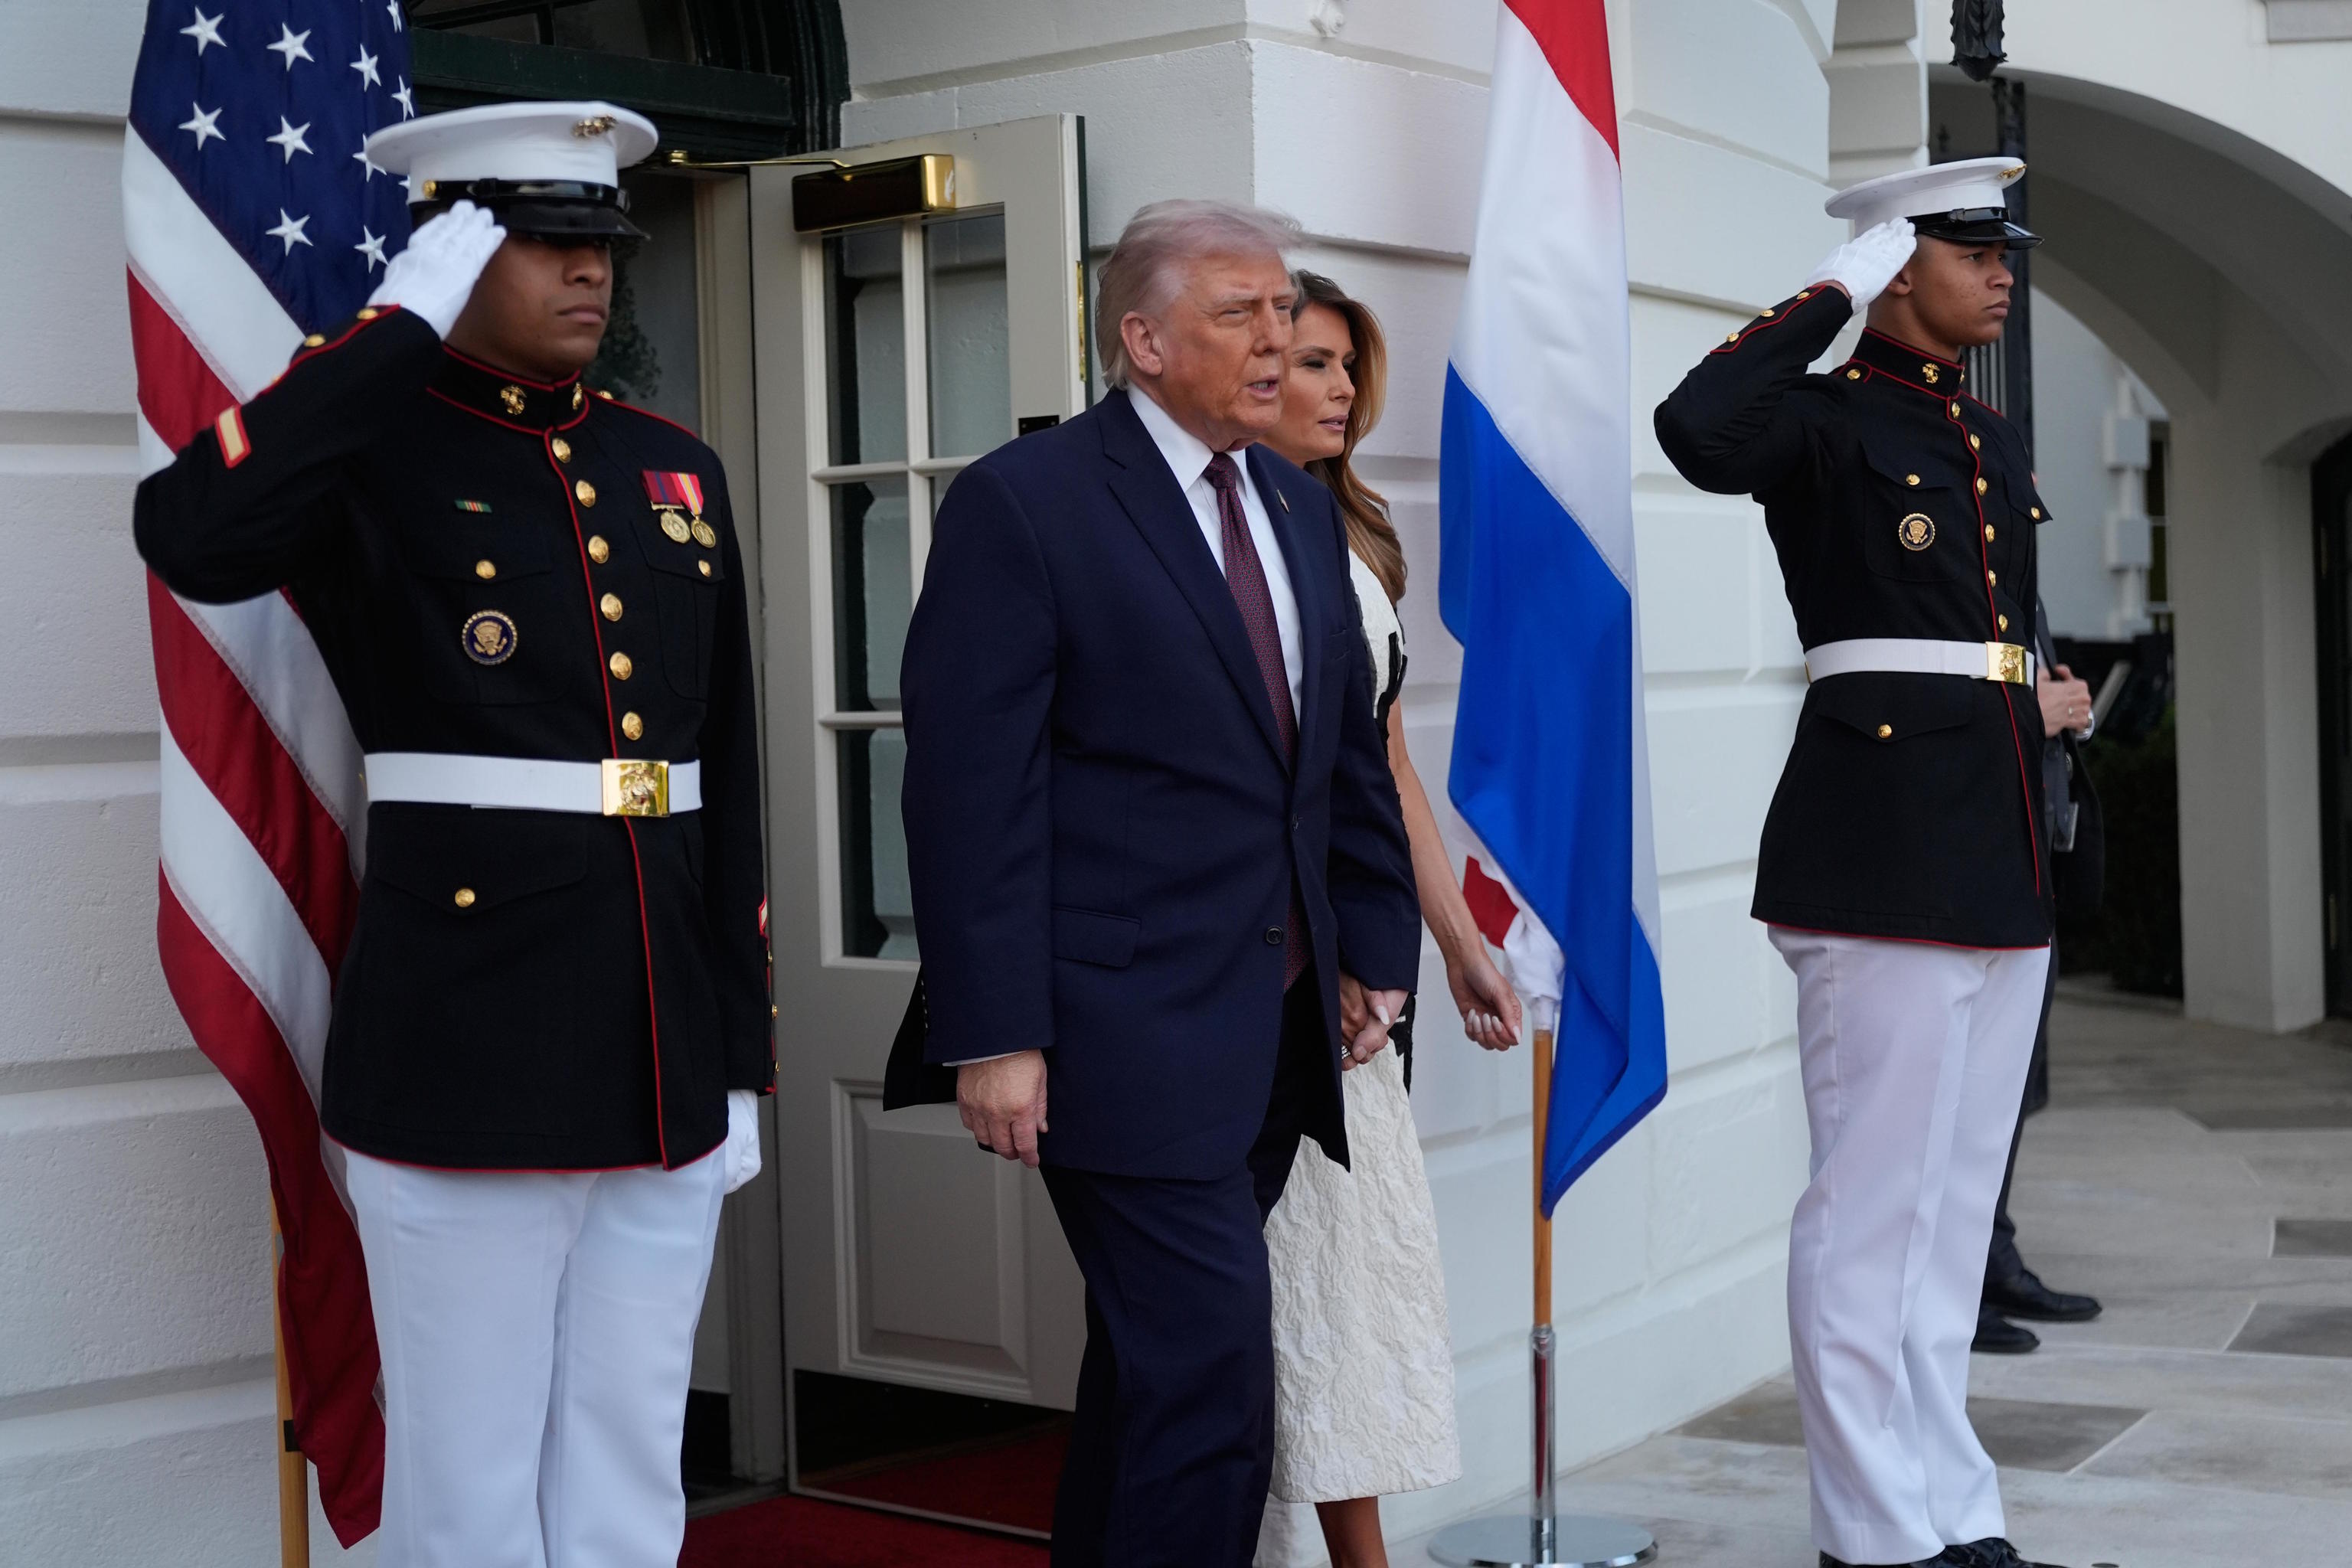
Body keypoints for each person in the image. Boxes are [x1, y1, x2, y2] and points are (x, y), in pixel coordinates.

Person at [133, 102, 771, 1568]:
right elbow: (189, 532)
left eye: (600, 242)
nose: (590, 274)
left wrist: (742, 1047)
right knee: (468, 1477)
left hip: (662, 1038)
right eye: (546, 243)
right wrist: (379, 342)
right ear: (453, 252)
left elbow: (721, 771)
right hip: (466, 1031)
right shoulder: (372, 444)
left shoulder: (670, 461)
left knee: (626, 1453)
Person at [897, 200, 1422, 1568]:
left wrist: (1374, 945)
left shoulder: (1299, 512)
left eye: (1283, 310)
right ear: (1140, 339)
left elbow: (1341, 763)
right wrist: (995, 1029)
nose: (1279, 338)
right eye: (1239, 313)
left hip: (1277, 1027)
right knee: (1212, 1388)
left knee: (1148, 1378)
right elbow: (971, 792)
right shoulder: (1027, 504)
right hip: (1112, 1037)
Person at [1655, 158, 2070, 1568]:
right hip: (1880, 842)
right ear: (1901, 263)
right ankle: (1871, 1535)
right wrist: (1828, 290)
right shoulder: (1821, 421)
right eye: (1969, 249)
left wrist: (2043, 696)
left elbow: (1993, 619)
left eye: (1999, 247)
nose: (2001, 270)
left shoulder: (1991, 436)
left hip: (1998, 844)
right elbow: (1696, 426)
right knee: (1867, 1213)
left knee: (1947, 1227)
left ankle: (1951, 1514)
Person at [1251, 270, 1521, 1568]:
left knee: (1345, 1269)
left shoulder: (1353, 541)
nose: (1337, 387)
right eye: (1309, 361)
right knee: (1294, 1267)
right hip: (1263, 964)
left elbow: (1388, 765)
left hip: (1361, 962)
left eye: (1348, 363)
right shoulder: (1227, 541)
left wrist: (1459, 940)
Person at [1975, 605, 2105, 1354]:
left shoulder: (2013, 547)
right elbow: (1964, 682)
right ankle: (1968, 1279)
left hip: (2032, 864)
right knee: (1975, 1095)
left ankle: (1994, 1258)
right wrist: (2035, 708)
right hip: (1986, 863)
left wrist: (2068, 704)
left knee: (2012, 1090)